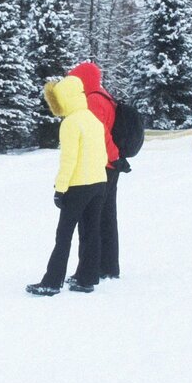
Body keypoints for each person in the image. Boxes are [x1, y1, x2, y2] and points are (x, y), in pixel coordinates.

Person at [26, 75, 108, 296]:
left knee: (64, 235)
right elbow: (102, 154)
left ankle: (52, 282)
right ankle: (86, 278)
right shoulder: (93, 120)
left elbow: (68, 160)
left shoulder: (70, 123)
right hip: (99, 183)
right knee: (91, 232)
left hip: (78, 186)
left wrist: (60, 188)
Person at [65, 62, 125, 280]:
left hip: (101, 166)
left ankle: (90, 269)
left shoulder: (92, 100)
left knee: (91, 219)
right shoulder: (105, 96)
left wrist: (114, 157)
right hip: (111, 165)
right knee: (107, 217)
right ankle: (109, 266)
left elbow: (100, 134)